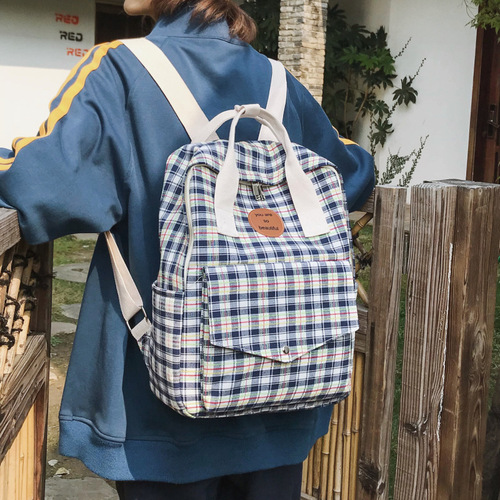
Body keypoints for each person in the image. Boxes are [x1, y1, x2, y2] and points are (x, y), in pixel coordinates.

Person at [0, 0, 374, 498]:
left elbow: (42, 183)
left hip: (161, 409)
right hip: (285, 392)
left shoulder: (120, 68)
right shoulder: (280, 83)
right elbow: (350, 170)